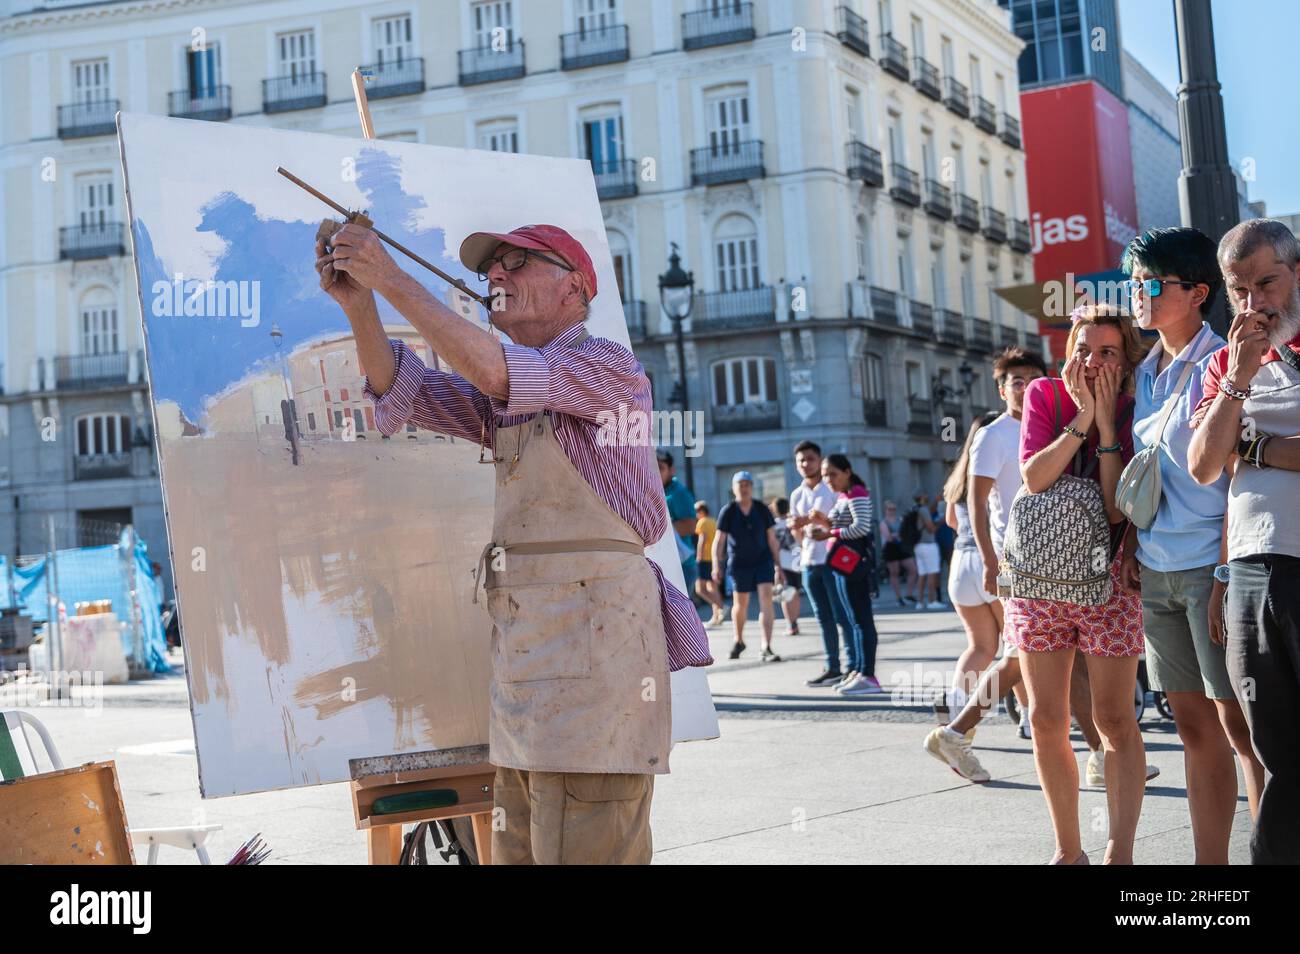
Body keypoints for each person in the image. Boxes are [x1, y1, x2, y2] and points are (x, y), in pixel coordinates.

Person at [325, 219, 710, 864]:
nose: (495, 277)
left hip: (595, 675)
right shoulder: (507, 396)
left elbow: (498, 371)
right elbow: (405, 393)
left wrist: (388, 275)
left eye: (516, 263)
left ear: (576, 289)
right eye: (490, 269)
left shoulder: (606, 366)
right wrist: (361, 301)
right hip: (526, 678)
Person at [1118, 227, 1264, 864]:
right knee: (1194, 731)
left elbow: (1237, 475)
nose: (1139, 295)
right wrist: (1130, 541)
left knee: (1243, 733)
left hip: (1212, 567)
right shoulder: (1143, 373)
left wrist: (1230, 570)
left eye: (1152, 284)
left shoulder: (1222, 360)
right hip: (1156, 570)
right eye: (1133, 283)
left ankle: (1269, 855)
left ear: (1200, 293)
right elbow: (1149, 469)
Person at [1009, 304, 1147, 865]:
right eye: (1083, 350)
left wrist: (1110, 426)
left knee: (1114, 717)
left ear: (1127, 358)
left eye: (1107, 352)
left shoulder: (1141, 403)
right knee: (1046, 717)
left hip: (1110, 579)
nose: (1092, 362)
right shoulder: (1044, 394)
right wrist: (1082, 419)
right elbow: (1035, 476)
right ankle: (1069, 851)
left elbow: (1118, 512)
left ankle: (1120, 852)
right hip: (1039, 577)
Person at [1189, 218, 1300, 864]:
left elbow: (1233, 453)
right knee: (1279, 752)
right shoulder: (1222, 368)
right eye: (1240, 291)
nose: (1256, 304)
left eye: (1268, 284)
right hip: (1254, 575)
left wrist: (1252, 448)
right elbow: (1205, 465)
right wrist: (1238, 377)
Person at [939, 413, 1003, 718]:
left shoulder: (957, 477)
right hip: (990, 559)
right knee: (1015, 647)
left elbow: (951, 520)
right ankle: (1030, 718)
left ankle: (953, 701)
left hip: (960, 565)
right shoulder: (996, 465)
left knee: (980, 647)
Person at [808, 454, 881, 695]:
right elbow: (845, 525)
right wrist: (825, 524)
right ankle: (858, 671)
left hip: (853, 564)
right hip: (841, 564)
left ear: (847, 472)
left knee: (861, 620)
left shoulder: (857, 492)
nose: (828, 479)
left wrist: (830, 534)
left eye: (833, 474)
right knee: (852, 619)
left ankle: (868, 675)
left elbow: (862, 527)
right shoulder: (844, 495)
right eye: (826, 474)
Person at [790, 440, 856, 687]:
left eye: (810, 459)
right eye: (801, 460)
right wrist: (796, 527)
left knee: (842, 614)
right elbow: (798, 535)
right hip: (809, 561)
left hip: (833, 559)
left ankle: (852, 666)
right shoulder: (797, 494)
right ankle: (832, 667)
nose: (806, 464)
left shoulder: (831, 489)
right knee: (822, 618)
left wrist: (824, 522)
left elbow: (844, 525)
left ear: (819, 460)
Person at [713, 472, 783, 662]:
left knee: (766, 600)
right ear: (734, 488)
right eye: (740, 485)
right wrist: (716, 565)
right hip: (739, 563)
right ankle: (739, 640)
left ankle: (766, 646)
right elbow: (719, 541)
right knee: (740, 603)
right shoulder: (728, 511)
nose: (744, 488)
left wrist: (779, 566)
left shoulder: (761, 509)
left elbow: (772, 539)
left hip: (763, 561)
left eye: (747, 485)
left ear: (752, 487)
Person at [658, 451, 698, 592]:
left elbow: (690, 526)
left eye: (661, 467)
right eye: (653, 466)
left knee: (677, 613)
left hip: (681, 566)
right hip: (665, 564)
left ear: (671, 471)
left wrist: (656, 529)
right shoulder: (657, 490)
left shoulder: (678, 493)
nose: (656, 471)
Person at [772, 498, 802, 636]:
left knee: (785, 594)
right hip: (797, 560)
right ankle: (794, 622)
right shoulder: (793, 521)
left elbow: (773, 546)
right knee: (795, 592)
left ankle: (790, 623)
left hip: (782, 562)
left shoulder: (773, 525)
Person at [908, 492, 943, 610]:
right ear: (922, 498)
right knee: (932, 573)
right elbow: (931, 529)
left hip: (918, 545)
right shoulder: (923, 510)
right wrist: (941, 521)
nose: (928, 496)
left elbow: (930, 512)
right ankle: (932, 601)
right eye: (926, 495)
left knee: (922, 574)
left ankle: (920, 602)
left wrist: (936, 502)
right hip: (928, 544)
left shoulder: (916, 509)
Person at [879, 500, 918, 605]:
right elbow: (889, 537)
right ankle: (898, 597)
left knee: (913, 569)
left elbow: (905, 533)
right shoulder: (883, 522)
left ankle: (909, 594)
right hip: (890, 548)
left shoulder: (900, 520)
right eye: (889, 509)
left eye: (893, 509)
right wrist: (899, 534)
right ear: (886, 510)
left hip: (902, 547)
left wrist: (899, 535)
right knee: (894, 572)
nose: (892, 511)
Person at [694, 501, 725, 626]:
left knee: (700, 589)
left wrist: (699, 556)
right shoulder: (713, 521)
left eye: (696, 512)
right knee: (713, 588)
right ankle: (717, 616)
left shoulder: (702, 522)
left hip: (705, 559)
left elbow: (702, 540)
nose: (696, 515)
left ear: (701, 511)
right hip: (713, 558)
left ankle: (720, 607)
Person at [932, 492, 955, 607]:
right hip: (937, 545)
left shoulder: (948, 513)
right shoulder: (933, 514)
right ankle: (938, 596)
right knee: (937, 572)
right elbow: (932, 529)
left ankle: (953, 597)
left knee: (952, 570)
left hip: (949, 544)